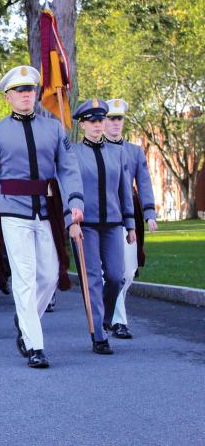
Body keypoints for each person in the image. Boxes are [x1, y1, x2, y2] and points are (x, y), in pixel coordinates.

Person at [0, 65, 84, 369]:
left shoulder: (54, 129)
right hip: (12, 210)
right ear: (8, 97)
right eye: (19, 91)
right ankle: (34, 345)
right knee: (24, 277)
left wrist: (75, 200)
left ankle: (25, 320)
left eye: (30, 90)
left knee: (49, 275)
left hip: (47, 209)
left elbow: (68, 167)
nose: (26, 95)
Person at [71, 99, 135, 354]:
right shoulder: (73, 153)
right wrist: (70, 221)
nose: (98, 125)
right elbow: (69, 189)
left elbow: (125, 192)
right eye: (92, 121)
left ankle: (106, 318)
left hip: (113, 223)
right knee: (93, 280)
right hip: (85, 225)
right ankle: (98, 333)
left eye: (101, 120)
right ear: (82, 124)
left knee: (117, 276)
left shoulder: (118, 153)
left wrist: (130, 224)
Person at [104, 98, 157, 339]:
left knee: (130, 270)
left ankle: (112, 309)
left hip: (131, 213)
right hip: (105, 212)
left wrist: (149, 214)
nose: (115, 123)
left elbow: (144, 183)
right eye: (110, 118)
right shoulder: (96, 148)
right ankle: (118, 321)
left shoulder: (134, 151)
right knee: (115, 270)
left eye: (119, 118)